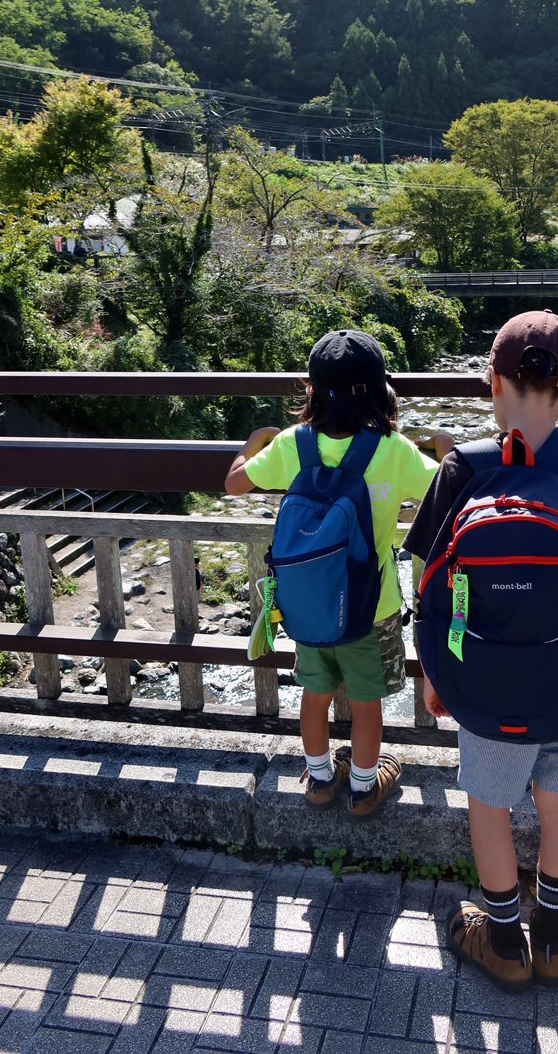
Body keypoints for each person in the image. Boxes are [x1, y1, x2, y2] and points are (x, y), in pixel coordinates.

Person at [404, 311, 558, 991]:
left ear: (491, 383)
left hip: (486, 682)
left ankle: (503, 942)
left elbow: (431, 583)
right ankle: (557, 935)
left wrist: (435, 674)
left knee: (489, 805)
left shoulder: (463, 467)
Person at [224, 330, 454, 818]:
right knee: (367, 704)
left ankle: (321, 780)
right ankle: (365, 788)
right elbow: (452, 488)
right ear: (378, 390)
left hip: (309, 606)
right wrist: (445, 447)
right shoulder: (393, 449)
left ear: (310, 389)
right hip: (375, 607)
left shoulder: (291, 444)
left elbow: (234, 482)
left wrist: (252, 443)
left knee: (315, 693)